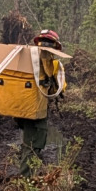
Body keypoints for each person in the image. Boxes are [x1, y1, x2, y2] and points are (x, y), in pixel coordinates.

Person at [14, 29, 66, 176]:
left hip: (20, 109)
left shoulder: (25, 58)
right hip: (35, 111)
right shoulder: (52, 63)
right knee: (34, 144)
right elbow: (57, 90)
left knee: (28, 143)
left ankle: (27, 175)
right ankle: (26, 180)